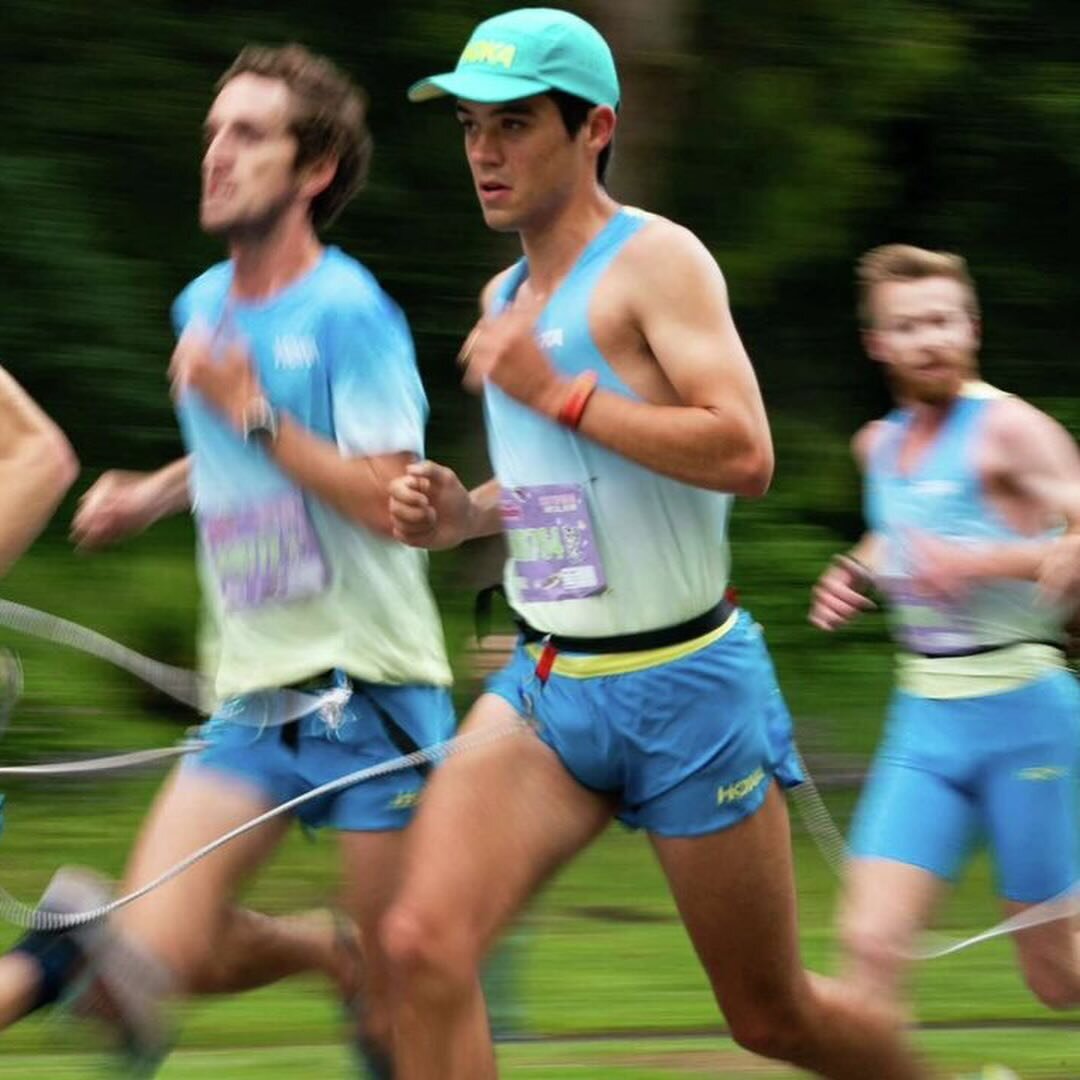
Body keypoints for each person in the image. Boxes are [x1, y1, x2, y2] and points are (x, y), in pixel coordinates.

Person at [381, 10, 931, 1078]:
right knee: (420, 946)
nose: (484, 152)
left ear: (595, 129)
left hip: (686, 686)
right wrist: (465, 517)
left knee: (770, 1018)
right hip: (551, 686)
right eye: (469, 126)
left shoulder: (657, 261)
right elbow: (560, 489)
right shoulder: (505, 297)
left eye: (513, 124)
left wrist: (561, 393)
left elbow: (745, 452)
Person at [7, 43, 454, 1076]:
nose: (216, 153)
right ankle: (326, 953)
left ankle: (369, 977)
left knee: (403, 1016)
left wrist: (249, 411)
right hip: (253, 693)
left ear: (315, 170)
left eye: (249, 135)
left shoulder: (351, 313)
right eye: (213, 132)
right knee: (146, 959)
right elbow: (234, 457)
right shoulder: (200, 307)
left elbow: (393, 499)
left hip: (369, 693)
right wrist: (155, 492)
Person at [809, 243, 1080, 1021]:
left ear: (973, 328)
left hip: (1025, 717)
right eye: (909, 326)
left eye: (943, 321)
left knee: (1056, 977)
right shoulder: (879, 445)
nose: (930, 340)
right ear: (877, 343)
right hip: (924, 723)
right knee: (869, 943)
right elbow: (899, 531)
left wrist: (982, 562)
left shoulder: (1013, 432)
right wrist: (852, 571)